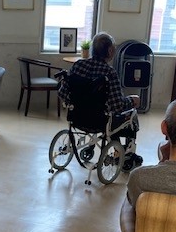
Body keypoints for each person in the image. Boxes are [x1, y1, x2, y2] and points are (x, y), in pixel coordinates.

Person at [59, 31, 142, 171]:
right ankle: (126, 152)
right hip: (100, 121)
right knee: (129, 113)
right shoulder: (109, 72)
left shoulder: (78, 65)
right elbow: (117, 105)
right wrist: (132, 101)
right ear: (110, 51)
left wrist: (77, 103)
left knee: (110, 113)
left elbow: (63, 92)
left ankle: (116, 149)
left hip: (77, 118)